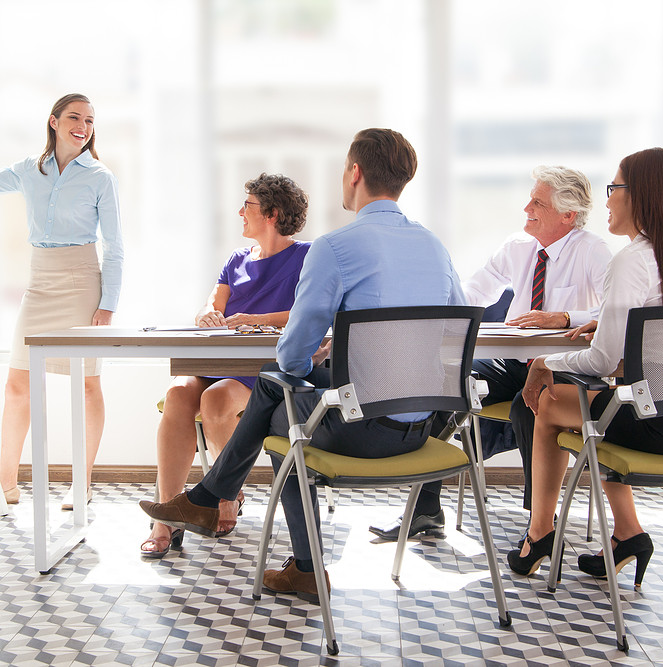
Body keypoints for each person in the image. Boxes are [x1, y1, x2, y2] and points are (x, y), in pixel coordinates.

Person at [139, 128, 464, 601]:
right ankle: (214, 504)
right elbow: (453, 333)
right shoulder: (434, 247)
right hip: (424, 429)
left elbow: (292, 356)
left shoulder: (335, 247)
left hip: (360, 430)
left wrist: (322, 349)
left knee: (281, 401)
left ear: (355, 172)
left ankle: (242, 521)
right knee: (278, 394)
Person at [507, 147, 663, 585]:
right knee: (602, 410)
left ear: (641, 196)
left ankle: (539, 535)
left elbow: (601, 359)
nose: (608, 199)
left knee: (548, 401)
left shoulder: (632, 259)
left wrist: (543, 361)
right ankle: (627, 534)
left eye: (615, 188)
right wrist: (615, 325)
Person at [370, 166, 611, 541]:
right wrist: (427, 309)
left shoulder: (594, 251)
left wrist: (565, 317)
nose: (526, 206)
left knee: (531, 405)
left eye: (538, 202)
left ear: (568, 215)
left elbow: (616, 313)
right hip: (514, 364)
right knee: (445, 383)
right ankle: (425, 510)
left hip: (564, 368)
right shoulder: (518, 246)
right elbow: (472, 295)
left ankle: (540, 528)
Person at [140, 173, 310, 558]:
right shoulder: (236, 259)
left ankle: (224, 492)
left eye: (247, 205)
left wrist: (257, 318)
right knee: (179, 394)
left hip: (259, 368)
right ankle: (166, 516)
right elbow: (211, 303)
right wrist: (207, 316)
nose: (239, 212)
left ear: (271, 213)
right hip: (215, 358)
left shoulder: (305, 256)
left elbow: (309, 311)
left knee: (216, 400)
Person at [0, 93, 124, 509]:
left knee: (87, 385)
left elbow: (116, 247)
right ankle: (6, 486)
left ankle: (82, 484)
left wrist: (108, 303)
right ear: (53, 121)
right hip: (39, 282)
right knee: (17, 384)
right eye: (75, 117)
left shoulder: (100, 177)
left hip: (81, 282)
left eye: (90, 120)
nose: (83, 126)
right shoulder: (29, 170)